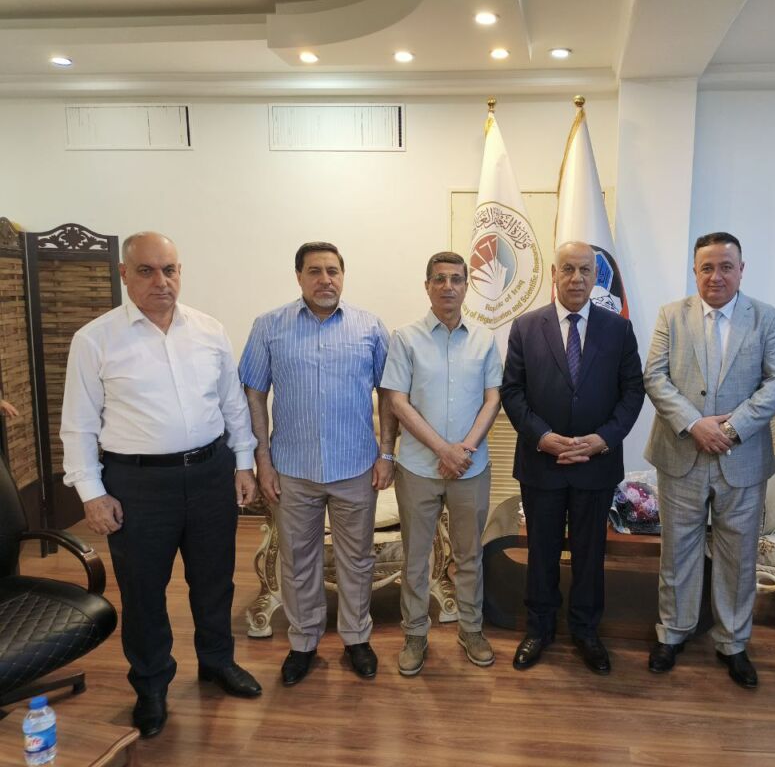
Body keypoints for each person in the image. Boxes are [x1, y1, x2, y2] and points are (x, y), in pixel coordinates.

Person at [60, 231, 261, 740]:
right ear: (124, 274)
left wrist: (243, 463)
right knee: (144, 590)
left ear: (180, 272)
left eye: (169, 269)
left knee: (214, 580)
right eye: (147, 270)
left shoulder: (209, 330)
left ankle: (217, 661)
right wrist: (91, 493)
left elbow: (232, 404)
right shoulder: (95, 339)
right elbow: (78, 425)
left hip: (210, 472)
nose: (161, 281)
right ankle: (151, 684)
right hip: (137, 484)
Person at [239, 241, 396, 686]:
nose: (325, 279)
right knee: (298, 560)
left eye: (333, 271)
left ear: (343, 276)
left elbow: (390, 393)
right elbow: (253, 393)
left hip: (355, 467)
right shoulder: (269, 327)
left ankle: (356, 638)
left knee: (357, 560)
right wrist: (262, 460)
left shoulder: (370, 327)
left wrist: (387, 453)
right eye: (314, 271)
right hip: (292, 469)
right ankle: (304, 642)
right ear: (299, 277)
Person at [644, 231, 775, 687]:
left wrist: (730, 429)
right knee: (678, 551)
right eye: (707, 267)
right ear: (695, 271)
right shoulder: (672, 315)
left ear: (741, 270)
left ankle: (733, 642)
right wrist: (695, 424)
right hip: (681, 454)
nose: (716, 275)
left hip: (741, 458)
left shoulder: (767, 318)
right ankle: (673, 632)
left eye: (726, 266)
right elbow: (654, 376)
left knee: (738, 556)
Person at [500, 240, 644, 674]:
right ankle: (539, 629)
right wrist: (543, 437)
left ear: (596, 277)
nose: (577, 278)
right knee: (541, 552)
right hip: (541, 463)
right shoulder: (526, 327)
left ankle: (585, 631)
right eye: (568, 269)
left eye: (585, 270)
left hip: (596, 464)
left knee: (590, 554)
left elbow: (633, 392)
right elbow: (512, 392)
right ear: (554, 274)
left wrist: (603, 439)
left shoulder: (618, 329)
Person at [380, 251, 502, 676]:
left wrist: (464, 449)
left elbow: (493, 398)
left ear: (467, 286)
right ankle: (415, 634)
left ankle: (471, 629)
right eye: (439, 279)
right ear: (427, 286)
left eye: (456, 279)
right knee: (416, 558)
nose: (448, 286)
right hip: (418, 468)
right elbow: (397, 401)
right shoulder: (405, 338)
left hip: (471, 467)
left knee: (469, 555)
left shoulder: (484, 339)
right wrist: (442, 450)